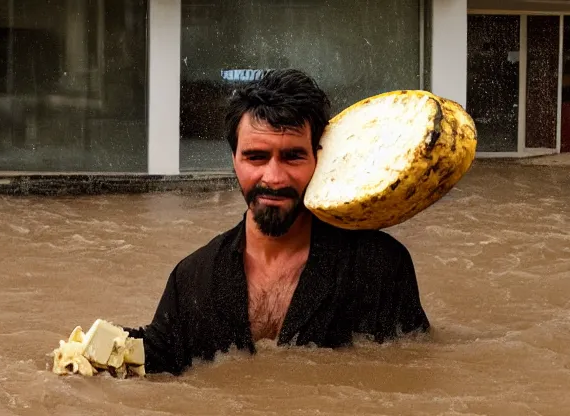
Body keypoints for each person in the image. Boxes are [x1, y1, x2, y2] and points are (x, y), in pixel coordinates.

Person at [124, 69, 429, 375]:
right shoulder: (192, 279)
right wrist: (89, 356)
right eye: (256, 157)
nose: (273, 177)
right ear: (234, 158)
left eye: (292, 157)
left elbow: (411, 370)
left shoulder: (378, 267)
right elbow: (158, 356)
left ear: (318, 158)